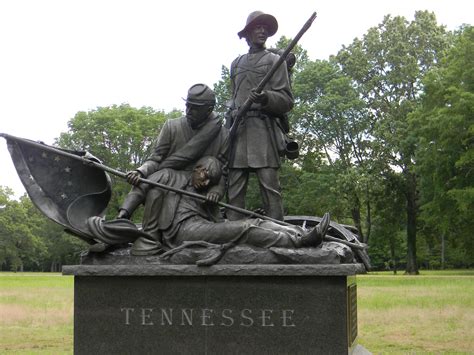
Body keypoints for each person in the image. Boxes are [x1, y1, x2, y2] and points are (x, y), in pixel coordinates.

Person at [116, 83, 228, 220]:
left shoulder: (223, 136)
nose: (188, 111)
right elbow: (156, 159)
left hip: (199, 189)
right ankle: (123, 216)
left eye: (195, 108)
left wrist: (215, 191)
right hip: (168, 179)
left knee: (161, 176)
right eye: (188, 105)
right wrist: (140, 171)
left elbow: (223, 173)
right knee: (157, 177)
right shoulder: (172, 127)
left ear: (209, 109)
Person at [226, 11, 294, 221]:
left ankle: (281, 236)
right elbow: (233, 97)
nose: (262, 30)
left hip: (263, 131)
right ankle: (233, 234)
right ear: (247, 33)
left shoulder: (276, 60)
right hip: (239, 130)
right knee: (234, 189)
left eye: (265, 28)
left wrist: (266, 98)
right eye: (257, 27)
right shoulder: (236, 64)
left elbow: (286, 101)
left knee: (270, 188)